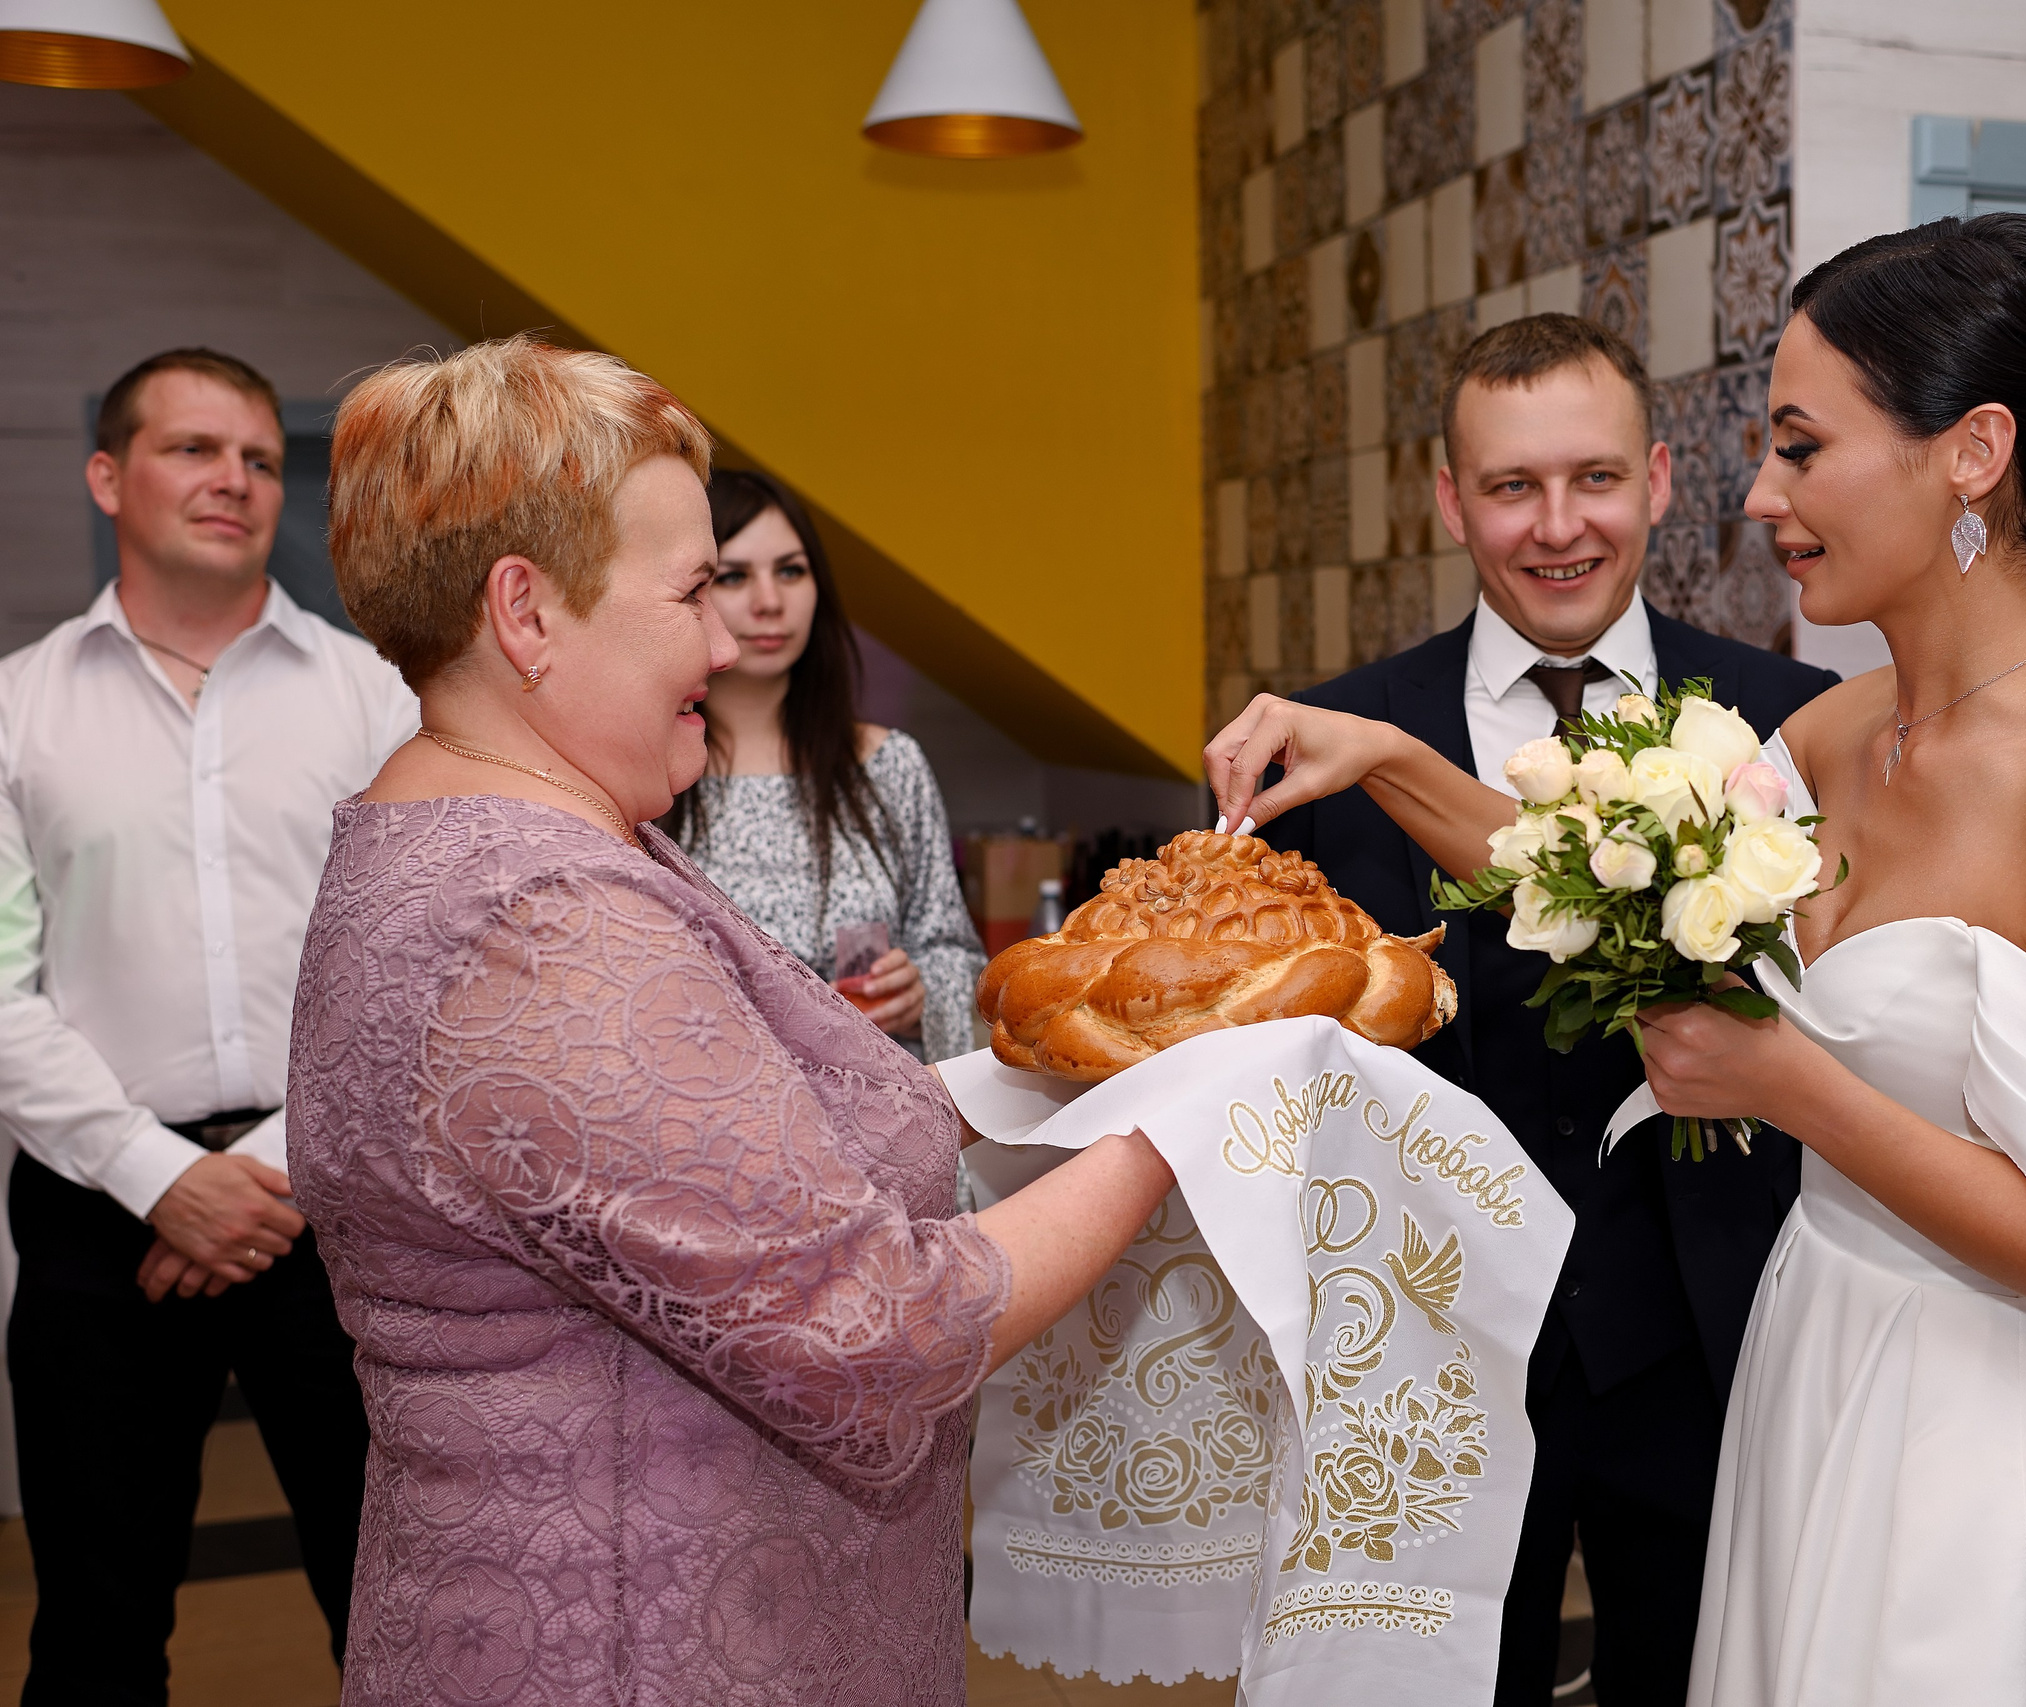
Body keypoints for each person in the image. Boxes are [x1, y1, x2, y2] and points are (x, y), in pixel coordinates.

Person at [1209, 217, 2026, 1707]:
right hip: (1808, 1379)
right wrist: (1388, 755)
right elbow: (1596, 882)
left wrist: (1791, 1085)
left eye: (1802, 448)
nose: (1759, 495)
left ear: (1972, 452)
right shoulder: (1834, 731)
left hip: (1994, 1435)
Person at [293, 334, 1176, 1706]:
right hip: (635, 1650)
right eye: (694, 588)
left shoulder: (535, 830)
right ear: (526, 613)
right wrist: (1175, 1130)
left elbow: (759, 1143)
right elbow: (875, 1331)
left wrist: (1062, 1084)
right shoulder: (540, 921)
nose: (727, 638)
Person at [1220, 313, 1837, 1706]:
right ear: (1451, 500)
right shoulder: (1323, 744)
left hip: (1710, 1335)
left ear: (1658, 478)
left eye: (1595, 477)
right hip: (1417, 1358)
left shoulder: (1796, 719)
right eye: (1512, 486)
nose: (1558, 526)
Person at [0, 349, 409, 1701]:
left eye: (258, 458)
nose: (233, 478)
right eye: (192, 448)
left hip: (340, 1198)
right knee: (95, 1628)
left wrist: (266, 1168)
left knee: (397, 1604)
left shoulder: (378, 697)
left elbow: (415, 968)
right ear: (106, 476)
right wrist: (158, 1175)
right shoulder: (16, 708)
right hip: (93, 1212)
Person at [662, 468, 984, 1063]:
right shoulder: (653, 768)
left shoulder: (887, 765)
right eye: (734, 576)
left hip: (885, 1096)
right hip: (724, 1100)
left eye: (791, 571)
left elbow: (954, 952)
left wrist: (921, 991)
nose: (770, 602)